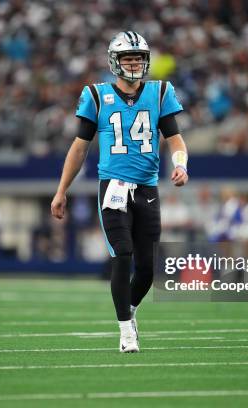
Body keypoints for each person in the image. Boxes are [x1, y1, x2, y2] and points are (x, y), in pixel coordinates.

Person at [51, 31, 188, 353]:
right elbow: (79, 148)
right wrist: (61, 191)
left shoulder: (160, 92)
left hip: (147, 188)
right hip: (112, 186)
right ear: (115, 62)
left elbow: (175, 139)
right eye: (128, 58)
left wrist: (181, 164)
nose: (135, 63)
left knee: (147, 269)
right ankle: (125, 331)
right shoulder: (96, 95)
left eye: (139, 58)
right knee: (122, 256)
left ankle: (130, 310)